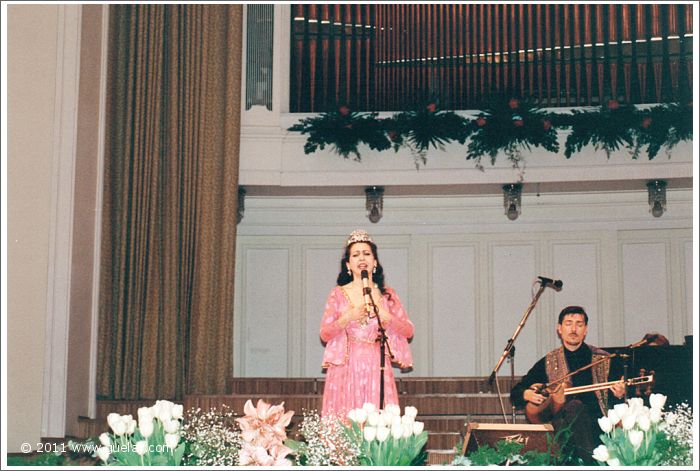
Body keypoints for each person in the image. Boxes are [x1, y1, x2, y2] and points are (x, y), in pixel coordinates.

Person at [510, 305, 626, 464]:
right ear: (559, 329)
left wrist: (620, 395)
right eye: (568, 323)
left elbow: (621, 399)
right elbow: (516, 393)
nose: (574, 329)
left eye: (579, 324)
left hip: (598, 424)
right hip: (561, 427)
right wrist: (528, 394)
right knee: (574, 407)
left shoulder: (605, 359)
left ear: (585, 330)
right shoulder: (549, 361)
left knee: (576, 407)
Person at [320, 229, 414, 417]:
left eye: (366, 253)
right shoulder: (338, 293)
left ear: (375, 262)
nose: (361, 258)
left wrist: (386, 316)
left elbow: (408, 331)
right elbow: (324, 333)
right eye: (355, 254)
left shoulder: (388, 294)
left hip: (376, 363)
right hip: (346, 365)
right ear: (348, 264)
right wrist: (348, 316)